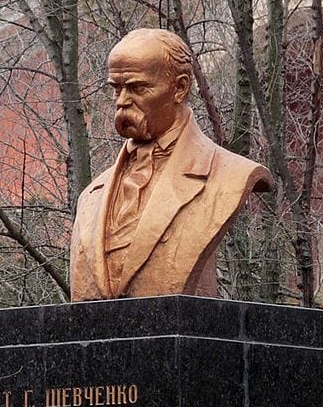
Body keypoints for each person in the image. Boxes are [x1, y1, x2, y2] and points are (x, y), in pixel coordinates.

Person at [70, 28, 272, 302]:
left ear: (180, 87)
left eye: (137, 88)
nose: (121, 101)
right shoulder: (90, 198)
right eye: (116, 88)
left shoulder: (230, 176)